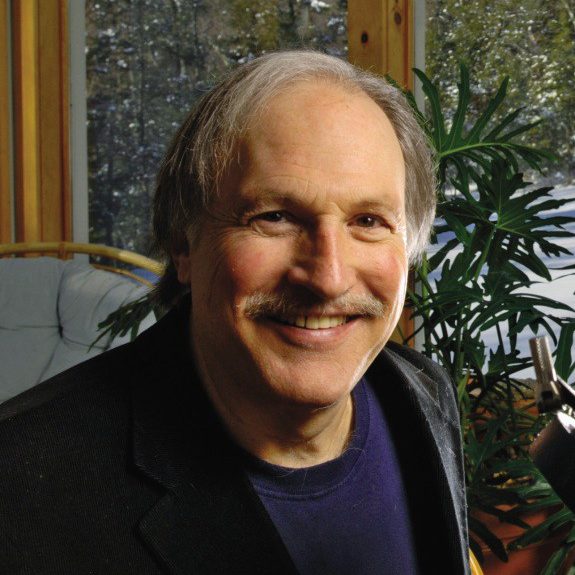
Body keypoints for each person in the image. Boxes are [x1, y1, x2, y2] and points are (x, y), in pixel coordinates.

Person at [0, 51, 469, 574]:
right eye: (275, 216)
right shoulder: (20, 488)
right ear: (184, 244)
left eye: (368, 221)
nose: (329, 277)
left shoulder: (422, 391)